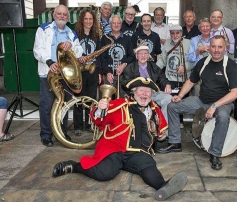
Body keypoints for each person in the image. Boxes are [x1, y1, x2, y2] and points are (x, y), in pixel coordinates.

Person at [52, 77, 188, 201]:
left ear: (152, 95)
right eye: (141, 91)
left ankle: (163, 186)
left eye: (148, 92)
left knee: (149, 168)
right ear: (134, 92)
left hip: (138, 152)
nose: (144, 94)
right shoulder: (121, 104)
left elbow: (160, 132)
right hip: (114, 148)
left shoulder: (155, 110)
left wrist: (160, 134)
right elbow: (99, 121)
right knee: (104, 173)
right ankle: (74, 166)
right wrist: (100, 108)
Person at [157, 36, 237, 171]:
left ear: (225, 48)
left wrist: (214, 106)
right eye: (213, 46)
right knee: (172, 106)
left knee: (223, 116)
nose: (216, 50)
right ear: (209, 48)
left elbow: (235, 93)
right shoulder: (202, 63)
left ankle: (215, 153)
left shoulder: (230, 65)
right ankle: (175, 142)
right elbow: (191, 81)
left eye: (220, 47)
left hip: (223, 104)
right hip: (202, 101)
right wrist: (179, 96)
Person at [33, 4, 83, 147]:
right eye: (59, 14)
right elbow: (38, 50)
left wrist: (71, 46)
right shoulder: (43, 29)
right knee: (47, 106)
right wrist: (49, 62)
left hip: (66, 75)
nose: (62, 16)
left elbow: (79, 52)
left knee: (64, 105)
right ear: (54, 15)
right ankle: (46, 135)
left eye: (64, 14)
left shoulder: (72, 34)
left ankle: (62, 132)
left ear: (68, 18)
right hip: (48, 73)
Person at [121, 46, 172, 122]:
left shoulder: (154, 66)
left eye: (145, 53)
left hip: (152, 93)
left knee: (168, 98)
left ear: (148, 56)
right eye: (140, 54)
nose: (143, 56)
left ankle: (162, 125)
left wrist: (167, 85)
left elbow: (162, 78)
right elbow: (124, 83)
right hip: (137, 94)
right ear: (136, 56)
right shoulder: (130, 67)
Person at [156, 25, 193, 128]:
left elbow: (194, 61)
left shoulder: (189, 43)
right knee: (170, 101)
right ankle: (169, 123)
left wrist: (185, 67)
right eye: (172, 33)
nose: (175, 35)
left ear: (181, 33)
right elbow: (163, 60)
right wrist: (153, 70)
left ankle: (179, 122)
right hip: (169, 78)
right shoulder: (167, 43)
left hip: (183, 80)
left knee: (181, 102)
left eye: (177, 33)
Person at [73, 9, 100, 136]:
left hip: (93, 71)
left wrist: (99, 72)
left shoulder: (97, 36)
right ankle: (78, 126)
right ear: (82, 20)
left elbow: (99, 56)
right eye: (86, 19)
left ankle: (90, 124)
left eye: (91, 19)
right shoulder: (75, 35)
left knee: (91, 99)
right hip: (79, 72)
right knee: (78, 99)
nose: (88, 21)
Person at [100, 15, 135, 98]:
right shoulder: (104, 38)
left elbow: (132, 56)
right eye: (114, 23)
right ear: (110, 24)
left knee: (122, 101)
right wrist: (107, 72)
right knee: (107, 101)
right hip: (109, 76)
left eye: (118, 23)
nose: (116, 25)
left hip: (123, 76)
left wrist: (124, 64)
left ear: (121, 24)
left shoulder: (127, 39)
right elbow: (102, 57)